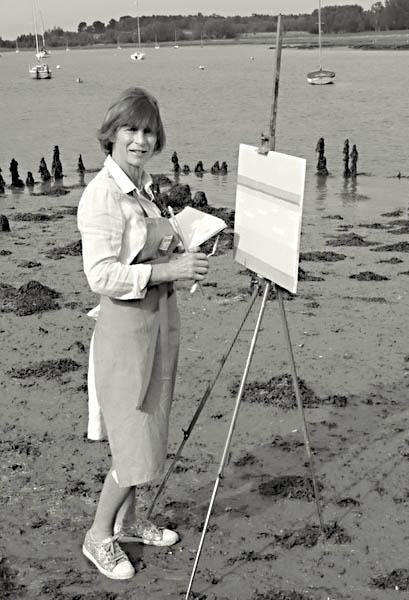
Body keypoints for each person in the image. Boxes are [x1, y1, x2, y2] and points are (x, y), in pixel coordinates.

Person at [77, 87, 209, 580]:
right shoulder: (102, 196)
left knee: (150, 431)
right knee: (133, 444)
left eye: (149, 131)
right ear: (111, 134)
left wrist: (186, 250)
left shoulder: (145, 187)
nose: (141, 139)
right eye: (130, 129)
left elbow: (147, 248)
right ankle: (98, 536)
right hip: (126, 331)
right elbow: (101, 275)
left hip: (159, 323)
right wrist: (168, 271)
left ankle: (130, 522)